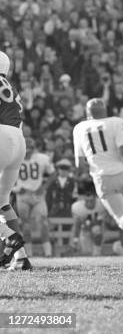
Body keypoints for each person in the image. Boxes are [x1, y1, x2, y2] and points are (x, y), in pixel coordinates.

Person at [73, 98, 123, 258]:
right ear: (105, 110)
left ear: (87, 113)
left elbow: (80, 163)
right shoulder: (116, 121)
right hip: (122, 173)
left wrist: (92, 167)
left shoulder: (79, 128)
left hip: (103, 178)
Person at [0, 50, 32, 270]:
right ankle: (21, 258)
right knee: (2, 203)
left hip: (1, 136)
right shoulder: (9, 85)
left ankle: (8, 236)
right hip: (18, 140)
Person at [14, 137, 55, 257]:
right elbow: (5, 178)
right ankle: (29, 254)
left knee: (43, 223)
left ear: (34, 148)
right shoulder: (14, 158)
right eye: (26, 148)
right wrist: (15, 188)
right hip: (22, 195)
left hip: (38, 195)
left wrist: (44, 187)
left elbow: (53, 173)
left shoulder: (42, 158)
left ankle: (48, 253)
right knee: (25, 225)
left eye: (31, 148)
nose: (28, 151)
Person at [71, 180, 106, 256]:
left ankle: (97, 253)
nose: (89, 203)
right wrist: (75, 240)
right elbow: (77, 225)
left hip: (97, 229)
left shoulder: (101, 204)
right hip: (84, 231)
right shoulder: (77, 207)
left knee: (96, 230)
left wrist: (88, 223)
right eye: (87, 201)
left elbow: (100, 221)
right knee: (86, 253)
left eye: (91, 201)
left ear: (95, 198)